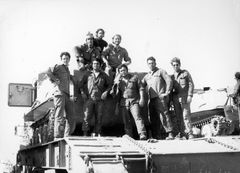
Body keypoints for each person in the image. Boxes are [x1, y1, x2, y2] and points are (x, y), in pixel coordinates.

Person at [141, 56, 174, 140]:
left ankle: (170, 133)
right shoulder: (147, 76)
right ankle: (156, 135)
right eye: (149, 63)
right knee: (153, 117)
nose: (151, 65)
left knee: (164, 115)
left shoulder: (161, 72)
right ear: (147, 65)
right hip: (151, 99)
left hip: (160, 98)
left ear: (155, 63)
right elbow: (141, 85)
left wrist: (167, 92)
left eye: (152, 63)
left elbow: (169, 81)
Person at [112, 64, 147, 140]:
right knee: (126, 120)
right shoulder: (119, 81)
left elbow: (141, 88)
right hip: (124, 102)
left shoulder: (134, 78)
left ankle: (142, 134)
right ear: (119, 72)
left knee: (137, 117)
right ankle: (129, 136)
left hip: (134, 101)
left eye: (124, 70)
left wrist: (142, 99)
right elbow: (117, 94)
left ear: (127, 70)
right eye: (121, 71)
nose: (123, 72)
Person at [46, 52, 75, 139]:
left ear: (69, 60)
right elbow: (48, 71)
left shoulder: (67, 69)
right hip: (59, 93)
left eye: (67, 58)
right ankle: (58, 136)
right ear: (61, 59)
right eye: (64, 59)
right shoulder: (58, 66)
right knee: (59, 114)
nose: (65, 60)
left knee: (71, 115)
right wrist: (55, 80)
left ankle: (67, 135)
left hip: (66, 94)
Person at [80, 58, 111, 136]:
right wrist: (82, 92)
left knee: (99, 117)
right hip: (89, 98)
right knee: (86, 116)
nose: (95, 65)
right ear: (92, 65)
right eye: (94, 63)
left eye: (97, 64)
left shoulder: (104, 75)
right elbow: (80, 84)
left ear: (100, 65)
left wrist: (106, 92)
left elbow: (110, 85)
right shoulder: (88, 74)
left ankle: (97, 133)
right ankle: (85, 133)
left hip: (100, 99)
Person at [170, 57, 194, 139]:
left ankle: (190, 133)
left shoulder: (185, 73)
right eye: (174, 65)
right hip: (176, 98)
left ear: (180, 65)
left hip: (184, 97)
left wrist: (190, 95)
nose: (176, 66)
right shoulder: (172, 77)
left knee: (186, 116)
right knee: (178, 116)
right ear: (172, 66)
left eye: (177, 64)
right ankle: (182, 133)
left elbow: (191, 84)